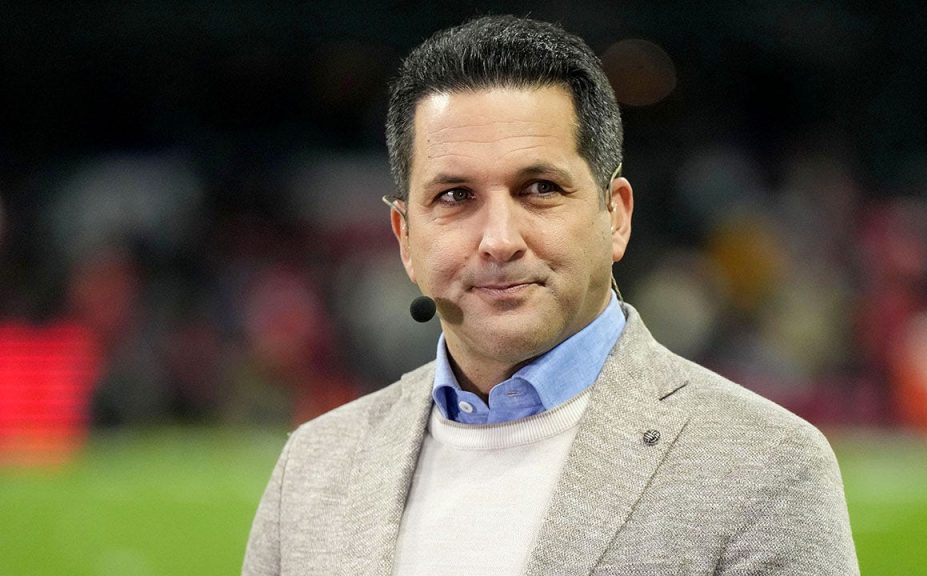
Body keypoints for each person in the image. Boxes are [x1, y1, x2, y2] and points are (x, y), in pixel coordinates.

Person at [242, 15, 859, 576]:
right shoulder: (314, 467)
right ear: (406, 238)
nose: (499, 240)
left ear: (615, 217)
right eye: (454, 196)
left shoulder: (767, 467)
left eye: (539, 188)